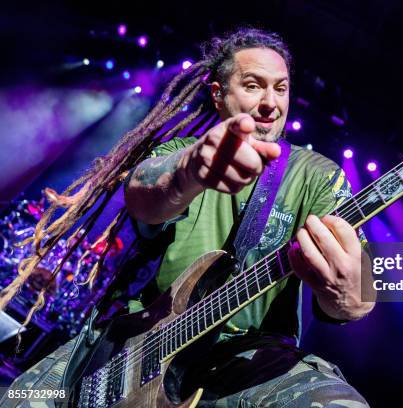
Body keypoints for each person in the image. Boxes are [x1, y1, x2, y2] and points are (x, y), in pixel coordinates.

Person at [1, 27, 374, 407]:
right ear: (218, 94)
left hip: (243, 362)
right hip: (131, 345)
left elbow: (357, 291)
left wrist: (350, 299)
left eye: (281, 88)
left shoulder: (316, 175)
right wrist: (188, 171)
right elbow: (143, 195)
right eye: (252, 85)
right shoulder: (181, 151)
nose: (270, 102)